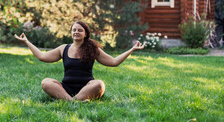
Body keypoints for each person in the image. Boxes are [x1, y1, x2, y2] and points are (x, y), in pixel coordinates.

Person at [14, 21, 145, 101]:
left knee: (99, 84)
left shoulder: (93, 49)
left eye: (79, 30)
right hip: (65, 88)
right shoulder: (63, 48)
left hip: (87, 88)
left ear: (85, 34)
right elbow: (42, 57)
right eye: (74, 30)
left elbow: (114, 62)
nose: (76, 32)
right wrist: (27, 42)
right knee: (46, 82)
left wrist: (132, 49)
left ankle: (70, 100)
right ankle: (73, 101)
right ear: (71, 32)